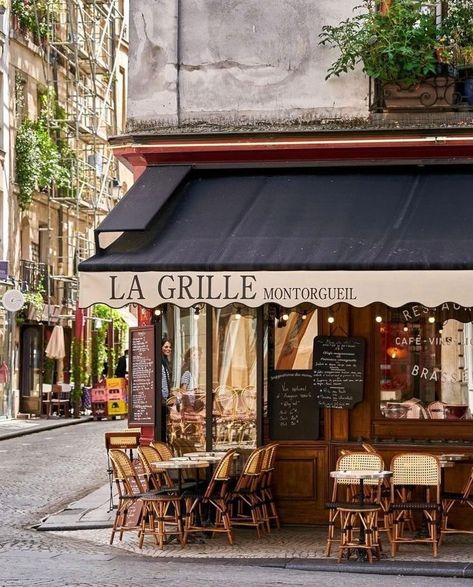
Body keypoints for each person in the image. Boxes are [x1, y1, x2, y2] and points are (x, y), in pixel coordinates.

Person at [180, 347, 204, 412]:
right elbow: (183, 390)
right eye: (194, 355)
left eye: (198, 355)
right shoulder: (187, 372)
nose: (197, 357)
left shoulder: (194, 372)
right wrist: (188, 406)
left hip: (194, 404)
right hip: (189, 406)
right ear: (189, 357)